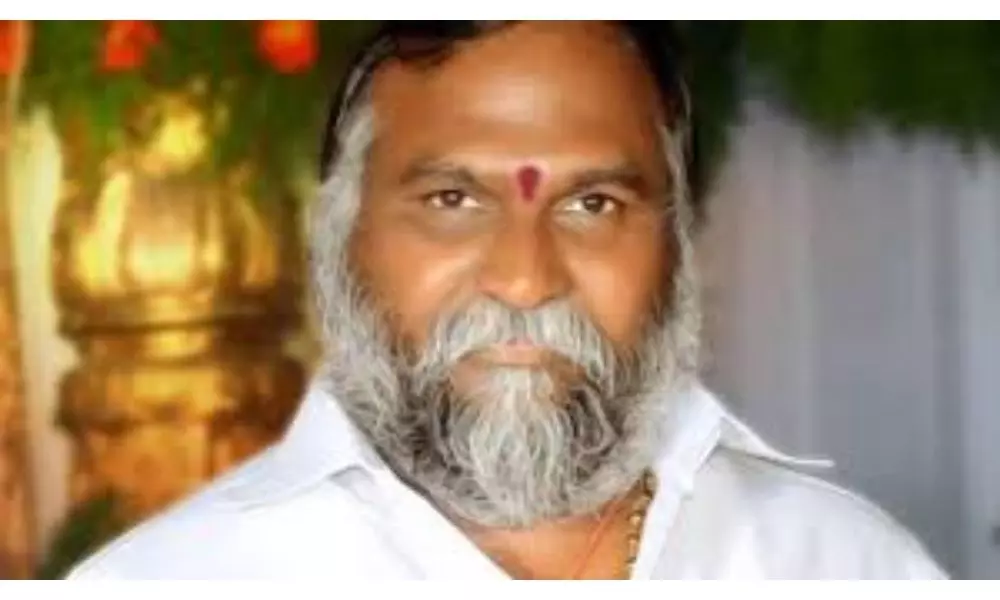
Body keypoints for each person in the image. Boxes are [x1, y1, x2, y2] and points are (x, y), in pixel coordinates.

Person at [67, 21, 946, 580]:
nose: (525, 279)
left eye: (592, 204)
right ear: (339, 240)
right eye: (453, 200)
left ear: (677, 247)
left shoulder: (847, 566)